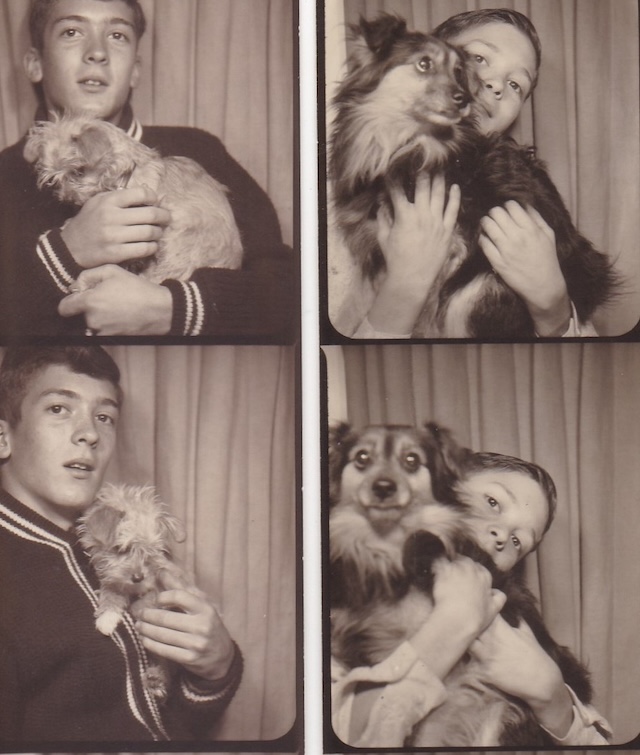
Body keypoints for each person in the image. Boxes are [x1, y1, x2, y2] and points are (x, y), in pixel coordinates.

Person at [0, 0, 297, 340]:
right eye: (71, 31)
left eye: (117, 35)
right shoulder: (5, 178)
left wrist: (173, 307)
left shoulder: (201, 151)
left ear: (136, 71)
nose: (97, 52)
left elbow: (291, 293)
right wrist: (64, 253)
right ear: (35, 63)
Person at [0, 345, 243, 742]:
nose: (90, 434)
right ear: (3, 438)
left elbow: (162, 724)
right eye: (59, 408)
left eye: (104, 416)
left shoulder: (126, 542)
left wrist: (216, 669)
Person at [331, 452, 612, 747]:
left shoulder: (517, 631)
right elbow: (340, 733)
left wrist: (552, 697)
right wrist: (453, 623)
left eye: (518, 541)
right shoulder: (344, 585)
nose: (501, 534)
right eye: (493, 502)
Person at [352, 9, 597, 339]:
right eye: (479, 58)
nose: (496, 85)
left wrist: (553, 305)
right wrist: (406, 284)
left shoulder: (525, 195)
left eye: (515, 84)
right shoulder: (348, 193)